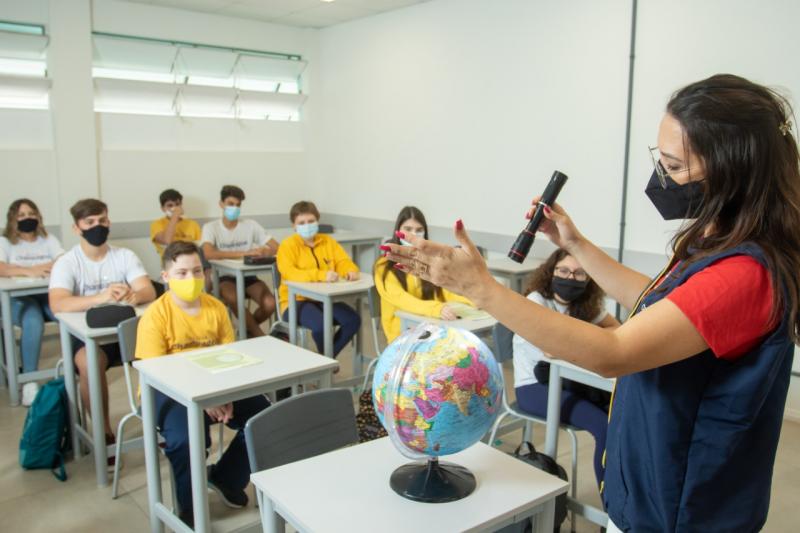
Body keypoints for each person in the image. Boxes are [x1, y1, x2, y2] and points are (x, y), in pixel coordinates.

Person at [383, 74, 799, 532]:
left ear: (730, 170)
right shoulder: (722, 241)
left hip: (683, 509)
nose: (663, 176)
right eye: (660, 160)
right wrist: (575, 244)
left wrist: (482, 289)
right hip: (659, 487)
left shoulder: (744, 274)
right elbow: (663, 303)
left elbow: (611, 353)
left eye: (676, 166)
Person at [135, 241, 269, 528]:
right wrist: (203, 399)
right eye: (181, 273)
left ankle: (224, 477)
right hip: (165, 392)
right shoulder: (155, 316)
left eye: (197, 271)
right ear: (165, 277)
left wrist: (226, 394)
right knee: (186, 441)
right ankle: (188, 510)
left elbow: (230, 360)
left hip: (215, 387)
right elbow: (157, 374)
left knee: (264, 418)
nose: (191, 279)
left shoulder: (216, 308)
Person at [49, 198, 156, 460]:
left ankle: (163, 424)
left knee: (160, 349)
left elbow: (148, 289)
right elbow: (58, 303)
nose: (98, 226)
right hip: (86, 338)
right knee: (89, 362)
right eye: (90, 222)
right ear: (77, 228)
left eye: (102, 220)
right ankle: (104, 432)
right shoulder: (67, 262)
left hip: (123, 333)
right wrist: (99, 298)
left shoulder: (124, 256)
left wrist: (134, 296)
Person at [512, 248, 619, 488]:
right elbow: (551, 349)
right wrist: (592, 341)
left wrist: (582, 344)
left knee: (619, 415)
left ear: (588, 279)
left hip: (570, 381)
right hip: (533, 387)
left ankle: (621, 499)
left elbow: (616, 331)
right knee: (604, 427)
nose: (570, 278)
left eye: (579, 274)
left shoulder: (586, 305)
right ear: (551, 271)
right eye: (563, 271)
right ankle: (609, 505)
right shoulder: (537, 301)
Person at [374, 206, 475, 343]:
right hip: (401, 333)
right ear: (397, 231)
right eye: (408, 229)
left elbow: (444, 289)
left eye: (419, 230)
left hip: (431, 325)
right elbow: (402, 300)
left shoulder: (429, 259)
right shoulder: (384, 266)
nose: (413, 234)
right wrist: (436, 309)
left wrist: (471, 299)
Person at [277, 201, 361, 357]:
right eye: (301, 223)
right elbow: (290, 273)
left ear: (317, 221)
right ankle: (326, 362)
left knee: (353, 320)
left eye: (311, 221)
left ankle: (325, 359)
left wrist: (350, 270)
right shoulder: (287, 246)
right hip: (295, 301)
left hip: (325, 299)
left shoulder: (328, 241)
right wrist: (321, 275)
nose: (307, 225)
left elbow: (343, 261)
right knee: (321, 326)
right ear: (294, 226)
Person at [0, 198, 64, 405]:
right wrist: (31, 270)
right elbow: (2, 268)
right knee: (33, 320)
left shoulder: (48, 239)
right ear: (13, 219)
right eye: (21, 215)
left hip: (45, 295)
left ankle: (76, 369)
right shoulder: (5, 242)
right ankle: (30, 380)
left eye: (31, 214)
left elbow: (62, 261)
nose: (27, 218)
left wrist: (20, 269)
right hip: (17, 299)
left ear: (38, 216)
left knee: (64, 314)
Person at [201, 185, 279, 337]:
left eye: (238, 205)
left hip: (248, 276)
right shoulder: (211, 228)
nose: (234, 208)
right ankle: (260, 336)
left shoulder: (250, 225)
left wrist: (265, 251)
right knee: (232, 297)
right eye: (230, 204)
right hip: (223, 278)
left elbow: (277, 247)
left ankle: (247, 332)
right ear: (221, 204)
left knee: (270, 303)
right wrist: (245, 253)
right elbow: (208, 254)